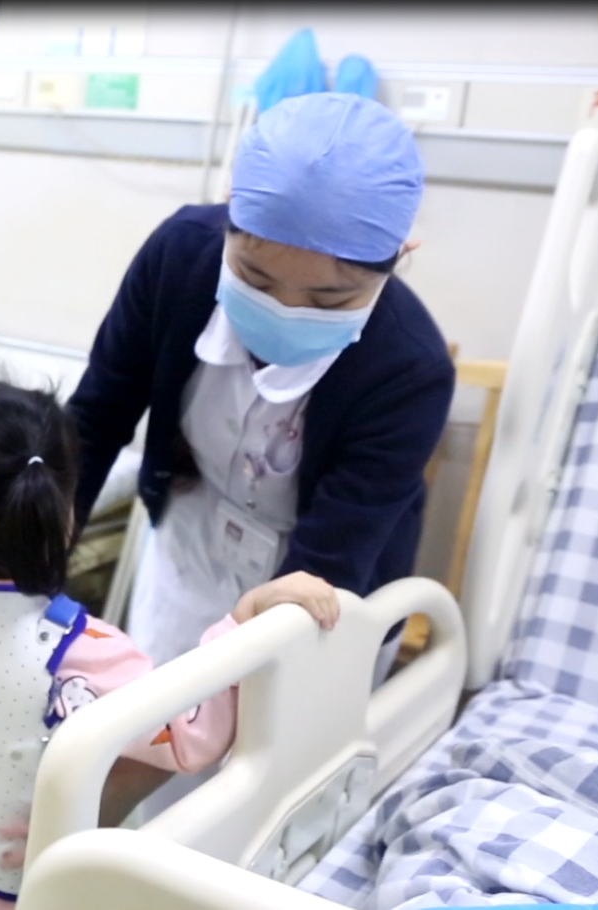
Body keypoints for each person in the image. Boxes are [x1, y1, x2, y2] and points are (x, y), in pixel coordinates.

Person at [65, 92, 455, 817]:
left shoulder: (410, 368)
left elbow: (325, 571)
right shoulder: (179, 257)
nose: (286, 310)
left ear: (399, 258)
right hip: (192, 546)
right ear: (228, 215)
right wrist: (19, 571)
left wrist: (116, 791)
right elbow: (93, 421)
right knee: (157, 750)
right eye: (254, 278)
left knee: (263, 802)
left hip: (319, 596)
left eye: (330, 301)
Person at [0, 377, 341, 910]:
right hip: (19, 893)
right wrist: (243, 623)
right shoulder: (83, 648)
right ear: (60, 511)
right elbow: (192, 734)